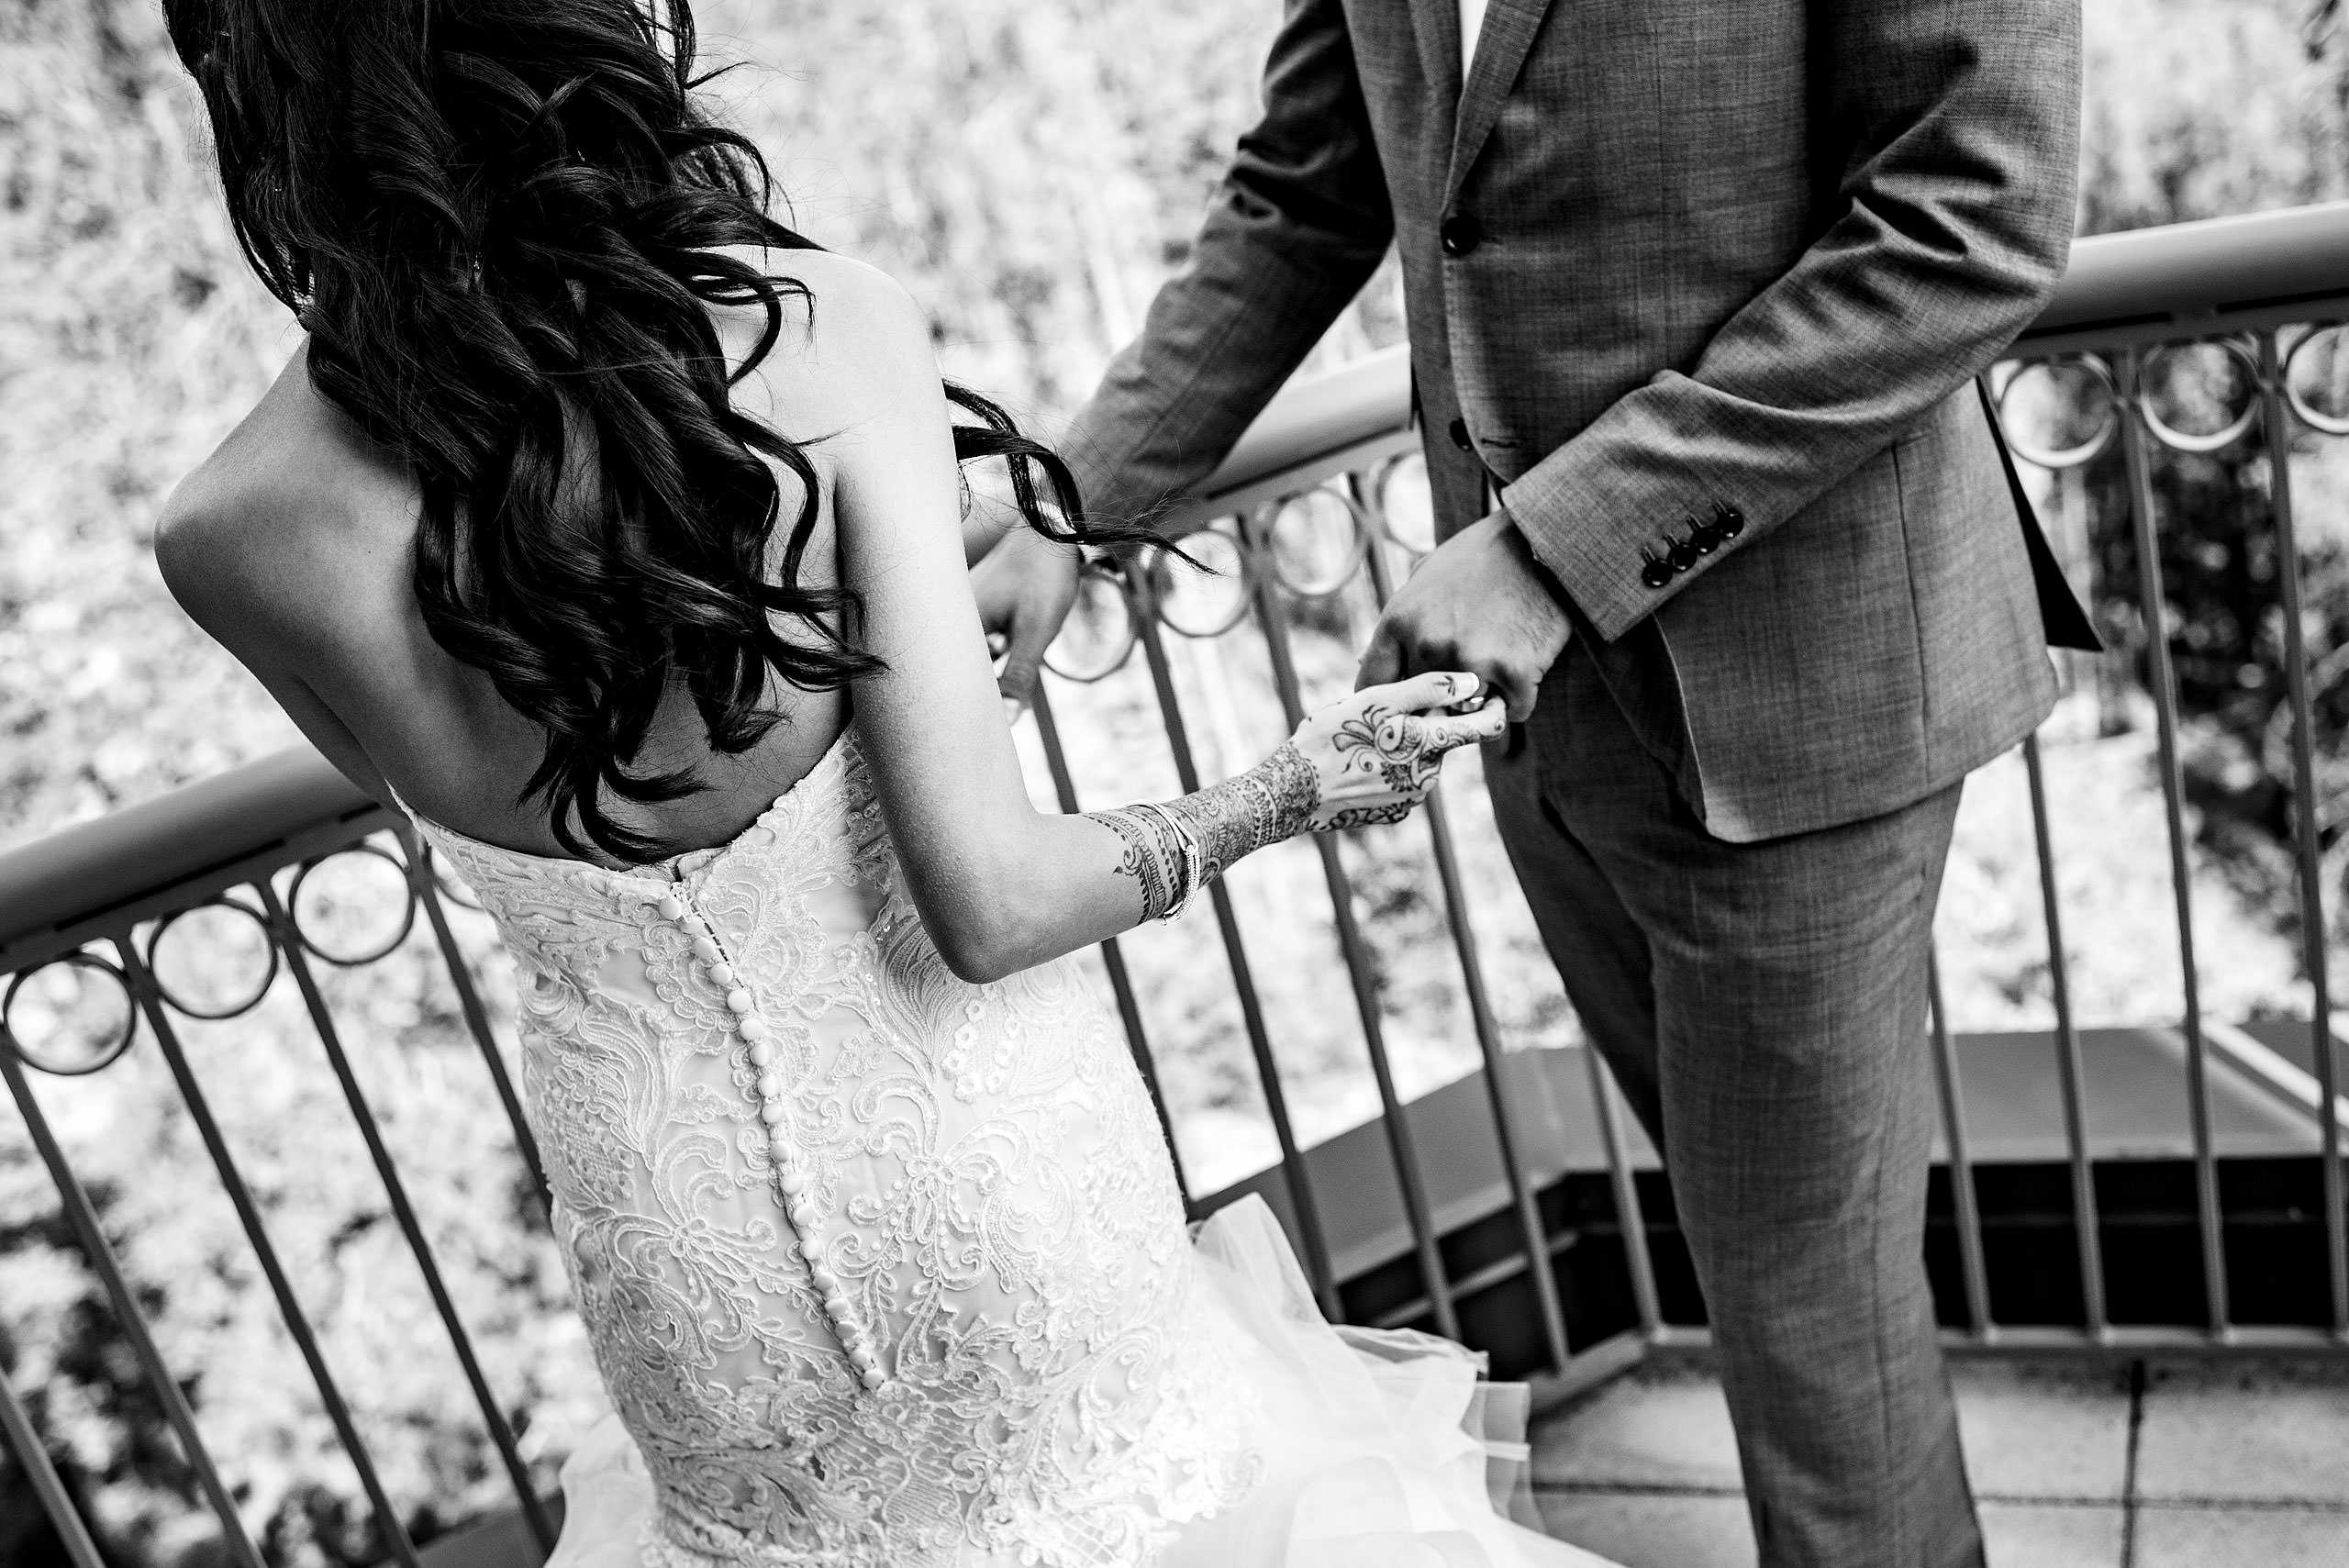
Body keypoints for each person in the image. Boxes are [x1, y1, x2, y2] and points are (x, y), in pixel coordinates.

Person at [149, 2, 1612, 1564]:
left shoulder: (230, 535)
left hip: (690, 1282)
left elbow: (500, 816)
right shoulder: (817, 334)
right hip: (995, 1203)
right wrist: (1294, 786)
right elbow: (989, 900)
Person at [1041, 2, 2096, 1565]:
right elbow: (1311, 185)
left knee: (1815, 1323)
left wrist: (1553, 545)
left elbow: (1974, 213)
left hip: (1800, 683)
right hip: (1539, 720)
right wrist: (1073, 505)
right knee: (1778, 1275)